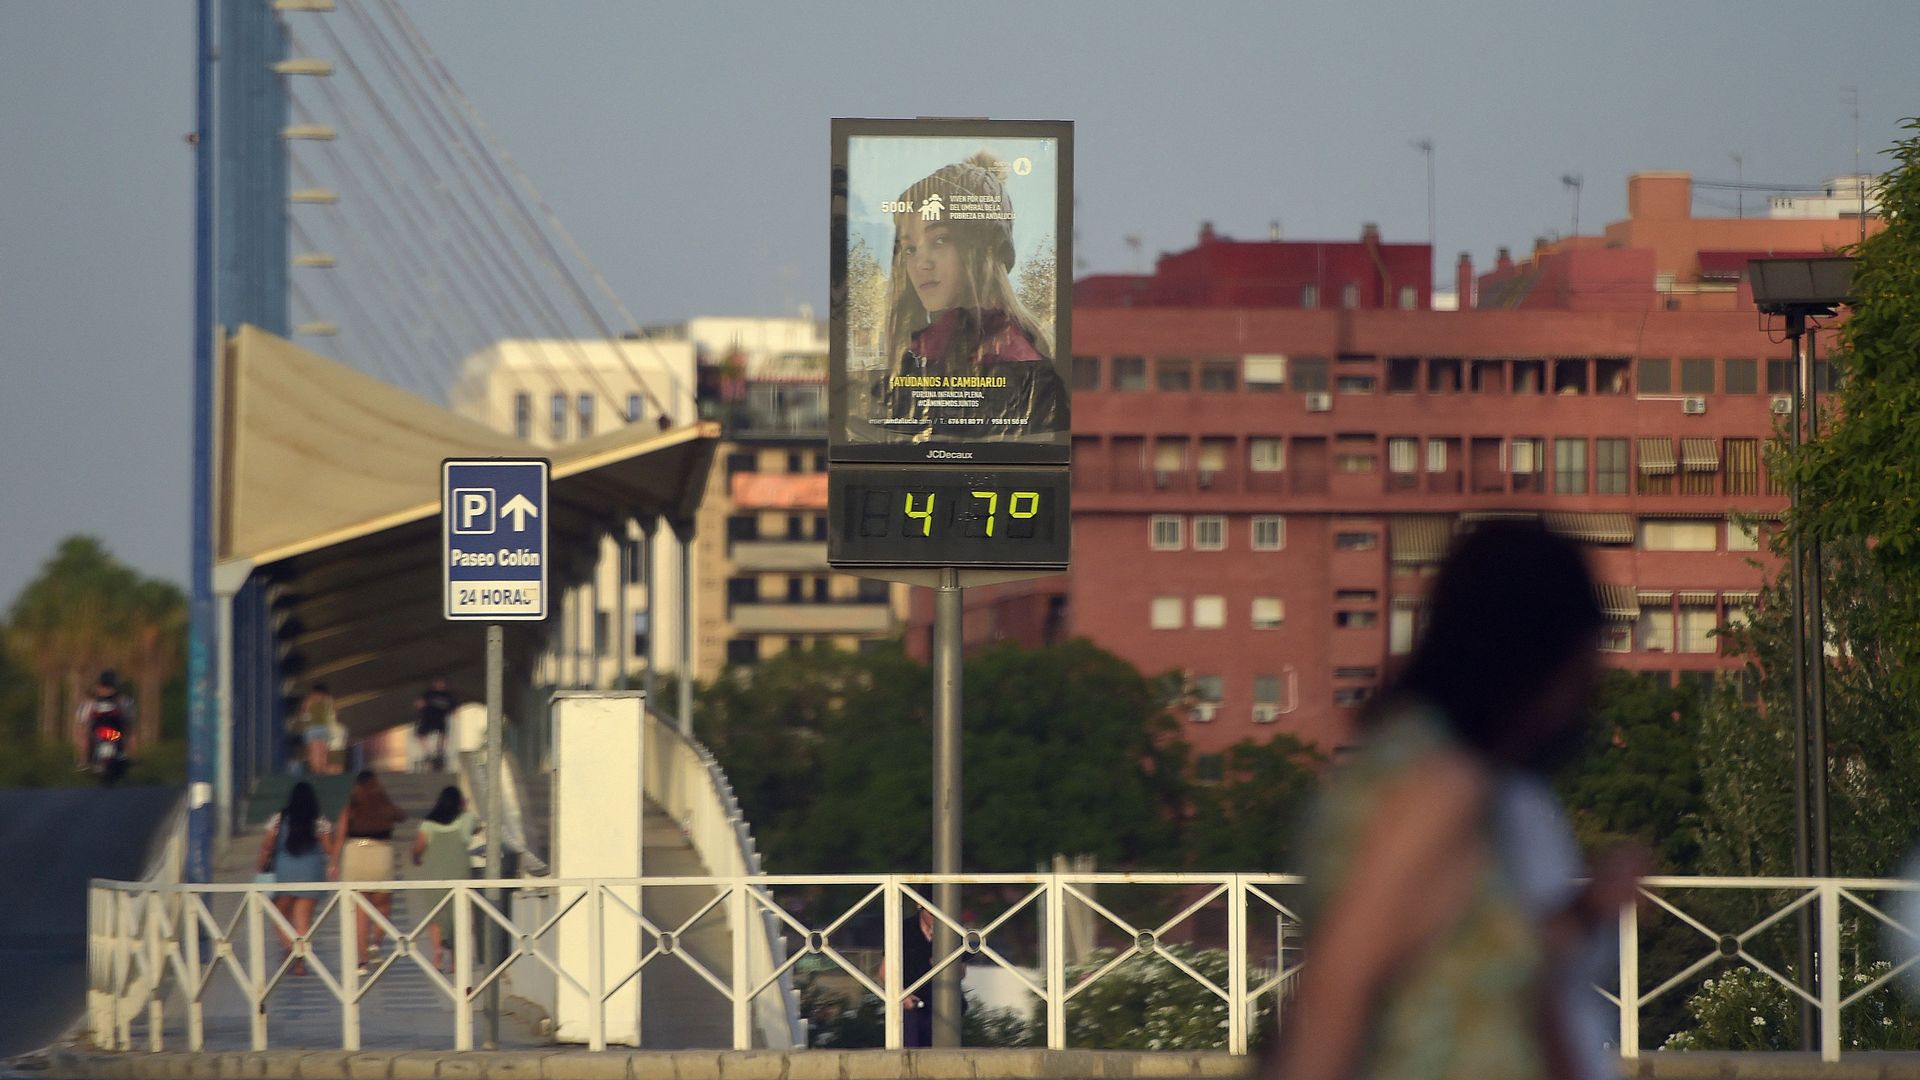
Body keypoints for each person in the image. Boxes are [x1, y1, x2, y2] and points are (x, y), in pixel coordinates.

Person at [1259, 521, 1640, 1080]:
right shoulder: (1439, 785)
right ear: (1539, 655)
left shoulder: (1430, 768)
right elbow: (1333, 995)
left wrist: (1585, 912)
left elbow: (1457, 965)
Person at [857, 151, 1066, 444]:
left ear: (982, 250)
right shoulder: (921, 350)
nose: (921, 263)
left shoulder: (1015, 361)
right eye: (909, 248)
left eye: (940, 240)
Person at [334, 770, 407, 972]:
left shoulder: (351, 809)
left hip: (355, 854)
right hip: (381, 855)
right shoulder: (384, 806)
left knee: (360, 911)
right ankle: (375, 943)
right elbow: (402, 816)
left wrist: (332, 863)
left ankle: (362, 962)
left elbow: (339, 836)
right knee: (383, 905)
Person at [259, 781, 333, 976]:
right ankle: (300, 962)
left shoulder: (279, 818)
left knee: (279, 915)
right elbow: (328, 848)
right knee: (303, 919)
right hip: (312, 872)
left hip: (286, 872)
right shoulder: (319, 820)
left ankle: (291, 949)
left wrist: (260, 867)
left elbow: (267, 845)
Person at [410, 785, 478, 972]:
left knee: (436, 916)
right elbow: (473, 830)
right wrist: (465, 809)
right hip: (460, 874)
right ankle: (455, 962)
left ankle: (437, 953)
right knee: (459, 916)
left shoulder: (428, 824)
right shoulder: (466, 819)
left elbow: (419, 847)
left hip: (435, 875)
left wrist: (415, 858)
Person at [76, 670, 134, 776]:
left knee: (128, 730)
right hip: (100, 731)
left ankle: (83, 760)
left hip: (112, 731)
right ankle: (83, 759)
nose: (107, 690)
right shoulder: (92, 700)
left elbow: (127, 718)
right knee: (84, 734)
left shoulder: (121, 700)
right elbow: (84, 718)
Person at [293, 684, 339, 777]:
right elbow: (334, 714)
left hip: (311, 729)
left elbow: (303, 713)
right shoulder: (328, 700)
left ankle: (316, 771)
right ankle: (322, 770)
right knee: (323, 752)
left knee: (314, 752)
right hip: (325, 729)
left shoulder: (309, 700)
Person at [413, 677, 456, 773]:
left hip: (440, 718)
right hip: (428, 717)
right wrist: (420, 706)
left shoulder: (448, 696)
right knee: (421, 734)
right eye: (438, 683)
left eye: (441, 683)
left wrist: (453, 713)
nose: (440, 685)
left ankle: (440, 751)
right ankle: (428, 753)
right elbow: (419, 703)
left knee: (443, 734)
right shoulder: (429, 694)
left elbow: (453, 708)